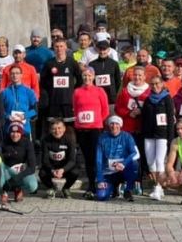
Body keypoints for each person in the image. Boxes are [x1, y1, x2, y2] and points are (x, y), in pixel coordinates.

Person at [73, 68, 110, 197]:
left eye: (89, 75)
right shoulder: (77, 91)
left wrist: (97, 121)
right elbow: (76, 109)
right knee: (88, 159)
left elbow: (105, 110)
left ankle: (100, 182)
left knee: (96, 158)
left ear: (93, 77)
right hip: (82, 129)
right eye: (84, 75)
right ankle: (91, 185)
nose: (87, 78)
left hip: (95, 129)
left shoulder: (100, 91)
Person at [142, 76, 176, 201]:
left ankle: (158, 186)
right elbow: (144, 119)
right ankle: (158, 186)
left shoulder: (167, 98)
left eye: (157, 83)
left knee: (159, 160)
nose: (155, 86)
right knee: (151, 162)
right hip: (149, 135)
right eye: (152, 84)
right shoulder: (148, 100)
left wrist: (171, 137)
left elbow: (171, 119)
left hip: (162, 135)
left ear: (162, 84)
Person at [40, 38, 80, 137]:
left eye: (61, 46)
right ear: (53, 48)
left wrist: (72, 91)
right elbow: (43, 82)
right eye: (57, 47)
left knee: (70, 128)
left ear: (66, 47)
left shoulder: (72, 63)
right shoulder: (49, 63)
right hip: (54, 102)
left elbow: (79, 79)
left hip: (68, 102)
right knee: (53, 128)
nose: (59, 49)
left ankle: (72, 148)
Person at [95, 115, 140, 201]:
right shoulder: (102, 138)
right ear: (108, 125)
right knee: (102, 196)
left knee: (134, 164)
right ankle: (114, 188)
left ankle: (128, 190)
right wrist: (100, 179)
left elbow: (135, 153)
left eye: (117, 124)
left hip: (122, 170)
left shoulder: (127, 136)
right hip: (108, 171)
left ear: (120, 125)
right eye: (112, 124)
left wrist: (124, 163)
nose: (114, 126)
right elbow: (98, 160)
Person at [0, 122, 38, 203]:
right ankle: (4, 192)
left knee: (33, 186)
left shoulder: (27, 143)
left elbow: (32, 167)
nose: (15, 134)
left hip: (21, 171)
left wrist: (14, 180)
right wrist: (9, 154)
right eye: (12, 132)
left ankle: (18, 188)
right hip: (7, 170)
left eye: (18, 132)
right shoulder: (4, 142)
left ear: (21, 133)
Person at [40, 118, 78, 198]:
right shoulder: (45, 140)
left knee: (75, 172)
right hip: (52, 167)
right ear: (50, 130)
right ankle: (51, 188)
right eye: (54, 129)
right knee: (42, 173)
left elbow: (72, 160)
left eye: (59, 128)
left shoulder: (70, 139)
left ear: (64, 129)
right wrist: (52, 170)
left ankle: (66, 188)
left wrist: (63, 170)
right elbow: (45, 160)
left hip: (64, 167)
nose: (57, 131)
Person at [0, 64, 37, 137]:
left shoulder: (29, 91)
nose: (15, 75)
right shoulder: (4, 92)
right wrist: (8, 116)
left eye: (17, 73)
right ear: (9, 76)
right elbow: (0, 110)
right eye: (12, 73)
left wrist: (25, 115)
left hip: (25, 128)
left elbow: (35, 110)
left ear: (21, 75)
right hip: (8, 128)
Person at [89, 40, 122, 109]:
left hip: (111, 97)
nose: (102, 52)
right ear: (97, 50)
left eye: (104, 49)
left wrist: (114, 93)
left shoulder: (114, 63)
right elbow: (90, 80)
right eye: (100, 49)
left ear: (108, 50)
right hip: (97, 96)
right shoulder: (92, 64)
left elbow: (118, 80)